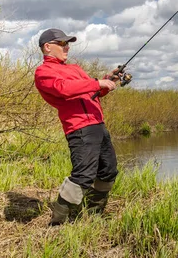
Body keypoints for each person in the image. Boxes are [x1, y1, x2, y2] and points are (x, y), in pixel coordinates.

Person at [34, 28, 121, 226]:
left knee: (108, 171)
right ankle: (58, 223)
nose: (67, 47)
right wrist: (97, 82)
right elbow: (63, 89)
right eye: (63, 43)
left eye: (68, 44)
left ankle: (94, 213)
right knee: (83, 176)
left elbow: (92, 93)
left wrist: (108, 80)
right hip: (80, 128)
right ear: (48, 47)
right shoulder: (43, 72)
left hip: (98, 125)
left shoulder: (75, 69)